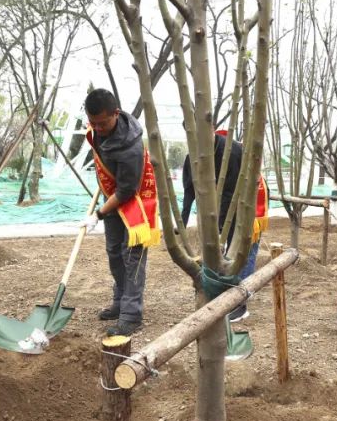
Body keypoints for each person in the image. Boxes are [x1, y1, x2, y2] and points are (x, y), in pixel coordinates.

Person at [81, 89, 161, 337]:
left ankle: (131, 314)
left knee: (132, 257)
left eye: (102, 123)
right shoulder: (98, 130)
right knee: (114, 252)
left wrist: (98, 215)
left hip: (134, 201)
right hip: (113, 197)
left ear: (115, 114)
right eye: (92, 123)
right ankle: (120, 301)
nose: (97, 128)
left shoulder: (130, 148)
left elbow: (126, 190)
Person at [180, 130, 270, 322]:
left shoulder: (234, 151)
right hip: (219, 208)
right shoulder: (192, 158)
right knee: (222, 256)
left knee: (241, 253)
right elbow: (188, 191)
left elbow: (232, 192)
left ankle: (239, 303)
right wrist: (182, 221)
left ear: (211, 127)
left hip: (246, 203)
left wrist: (220, 226)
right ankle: (224, 295)